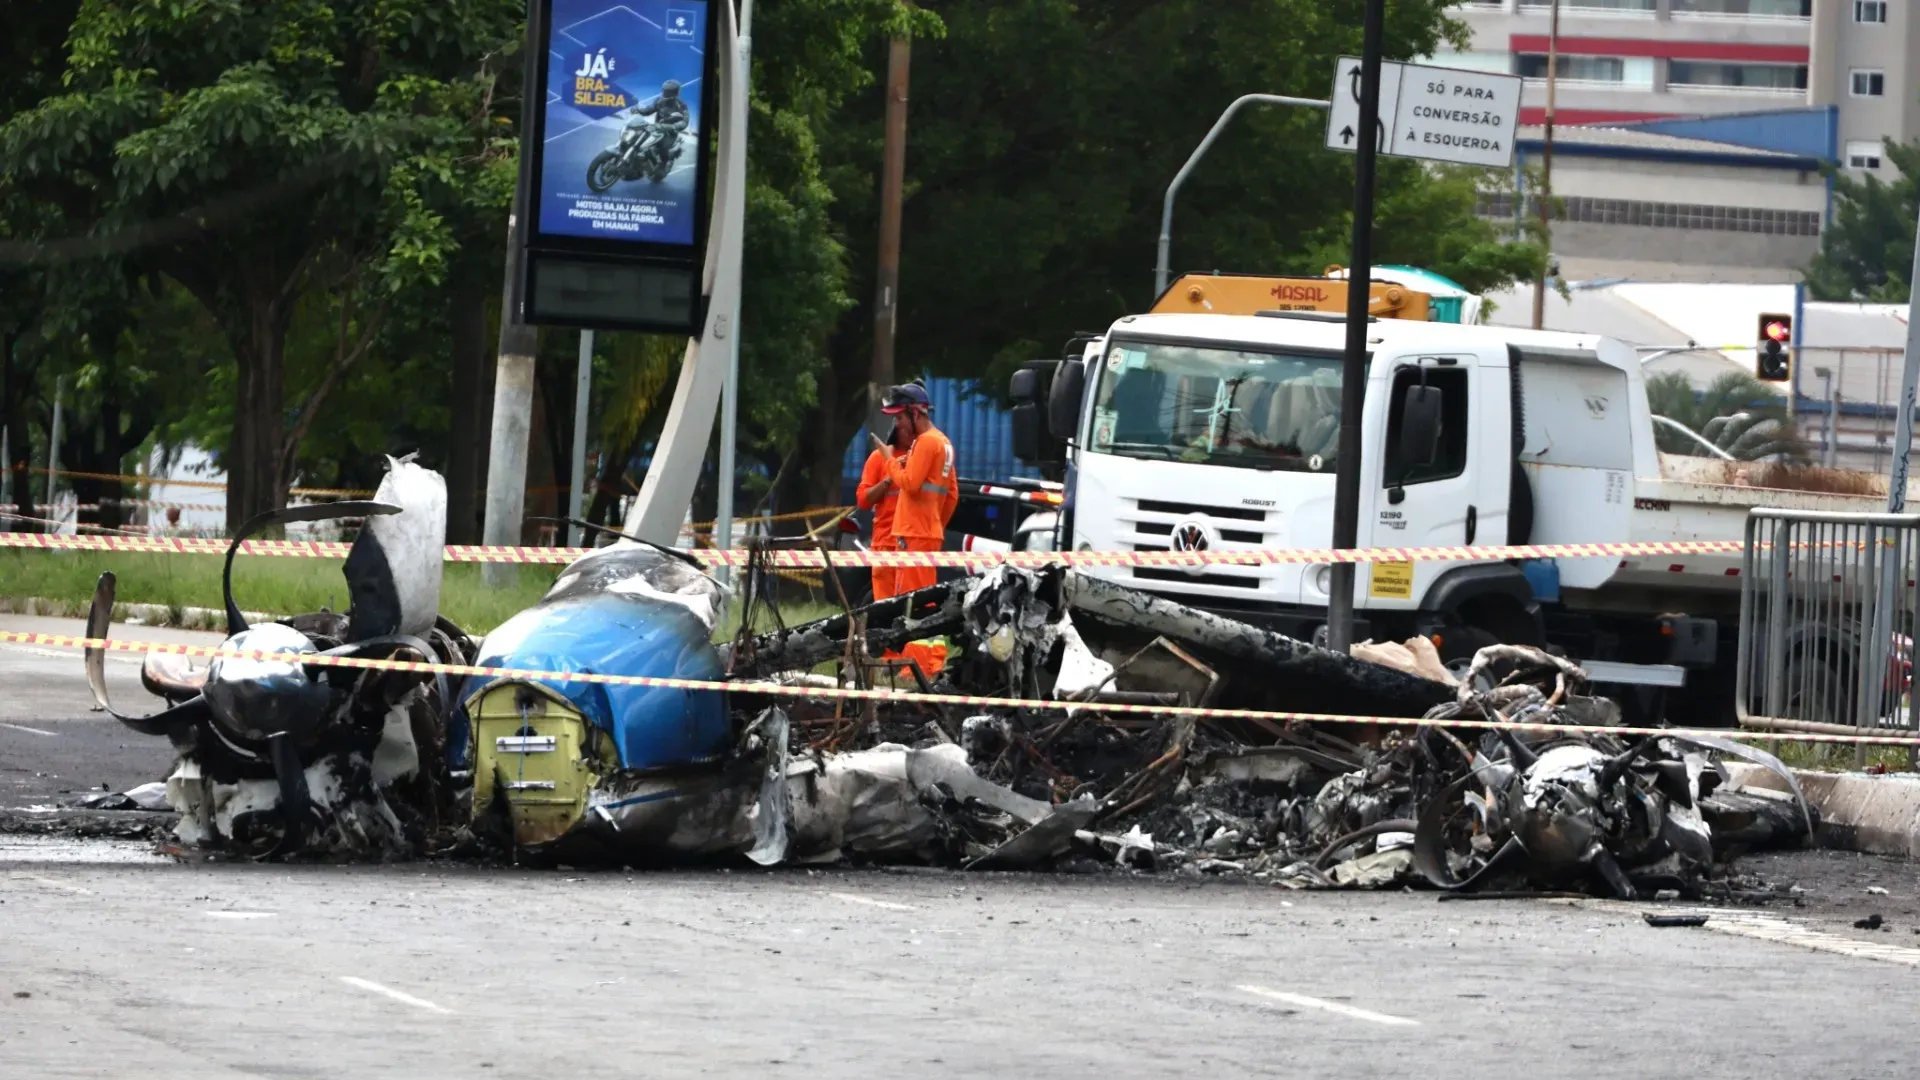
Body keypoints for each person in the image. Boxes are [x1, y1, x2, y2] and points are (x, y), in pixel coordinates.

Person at [856, 402, 908, 601]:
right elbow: (863, 500)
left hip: (912, 545)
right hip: (885, 544)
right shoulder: (878, 458)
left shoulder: (922, 456)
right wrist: (887, 480)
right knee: (884, 608)